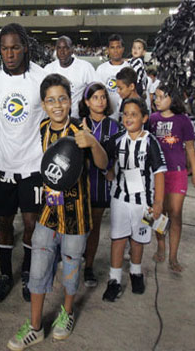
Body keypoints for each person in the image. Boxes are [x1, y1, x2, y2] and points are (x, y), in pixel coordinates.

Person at [7, 74, 108, 350]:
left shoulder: (80, 129)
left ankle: (67, 313)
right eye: (51, 100)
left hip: (77, 216)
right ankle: (35, 326)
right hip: (48, 215)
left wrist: (93, 143)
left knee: (72, 267)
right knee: (38, 268)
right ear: (43, 104)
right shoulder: (42, 128)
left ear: (70, 100)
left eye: (62, 98)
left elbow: (103, 164)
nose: (57, 105)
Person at [0, 23, 47, 303]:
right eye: (4, 48)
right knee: (5, 222)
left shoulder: (41, 77)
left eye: (15, 48)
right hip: (5, 166)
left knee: (32, 223)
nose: (9, 54)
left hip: (34, 165)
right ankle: (5, 275)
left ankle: (27, 274)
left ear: (25, 48)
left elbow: (50, 119)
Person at [103, 97, 166, 301]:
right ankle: (114, 278)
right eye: (126, 114)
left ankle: (136, 272)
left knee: (138, 239)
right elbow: (105, 159)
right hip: (120, 198)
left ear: (144, 118)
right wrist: (109, 171)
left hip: (143, 202)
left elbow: (159, 173)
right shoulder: (117, 139)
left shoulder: (150, 141)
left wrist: (157, 203)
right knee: (118, 238)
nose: (129, 118)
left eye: (134, 114)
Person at [149, 85, 195, 273]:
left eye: (162, 97)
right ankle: (161, 244)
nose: (157, 100)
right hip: (158, 174)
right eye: (156, 97)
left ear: (174, 99)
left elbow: (189, 147)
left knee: (176, 213)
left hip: (177, 172)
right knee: (159, 212)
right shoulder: (152, 120)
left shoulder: (183, 121)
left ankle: (173, 256)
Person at [78, 82, 120, 288]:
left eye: (103, 97)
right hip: (79, 184)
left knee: (93, 227)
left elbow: (112, 160)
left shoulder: (114, 126)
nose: (100, 101)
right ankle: (72, 259)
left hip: (100, 183)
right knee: (78, 225)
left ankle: (89, 267)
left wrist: (108, 169)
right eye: (95, 97)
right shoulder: (77, 124)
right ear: (86, 101)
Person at [43, 36, 96, 118]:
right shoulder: (49, 69)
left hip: (79, 118)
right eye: (59, 48)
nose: (62, 52)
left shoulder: (85, 67)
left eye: (65, 48)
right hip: (55, 118)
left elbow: (95, 92)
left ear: (72, 50)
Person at [95, 34, 128, 120]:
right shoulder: (101, 69)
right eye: (112, 47)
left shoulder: (129, 68)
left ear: (123, 49)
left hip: (125, 115)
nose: (115, 51)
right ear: (108, 50)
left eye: (118, 47)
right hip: (106, 116)